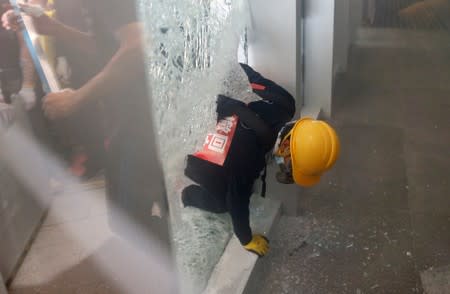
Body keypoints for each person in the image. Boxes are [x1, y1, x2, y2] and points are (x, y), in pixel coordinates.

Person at [2, 0, 170, 246]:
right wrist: (55, 28)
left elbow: (137, 47)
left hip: (141, 117)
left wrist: (77, 98)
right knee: (158, 207)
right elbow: (112, 46)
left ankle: (183, 271)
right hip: (144, 112)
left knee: (129, 222)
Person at [182, 63, 340, 257]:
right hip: (188, 143)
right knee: (222, 203)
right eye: (291, 165)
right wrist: (246, 239)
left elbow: (244, 73)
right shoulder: (248, 158)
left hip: (196, 97)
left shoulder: (285, 103)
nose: (287, 169)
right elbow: (237, 202)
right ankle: (184, 193)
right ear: (285, 147)